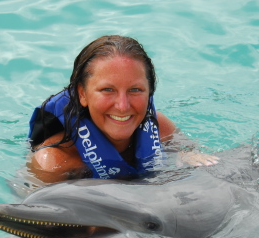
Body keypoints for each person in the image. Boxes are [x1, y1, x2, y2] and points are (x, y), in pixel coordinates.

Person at [26, 35, 218, 184]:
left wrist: (188, 154)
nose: (123, 105)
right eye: (107, 90)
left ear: (149, 92)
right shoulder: (53, 163)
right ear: (82, 94)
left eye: (135, 90)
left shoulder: (161, 129)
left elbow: (191, 150)